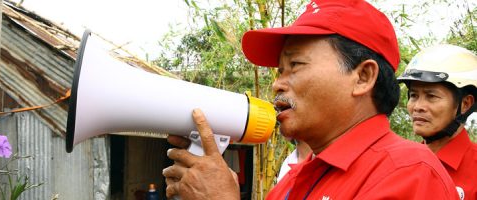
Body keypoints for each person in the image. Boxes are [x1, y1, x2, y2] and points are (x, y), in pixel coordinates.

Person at [162, 0, 460, 199]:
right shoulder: (292, 181)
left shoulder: (409, 174)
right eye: (279, 70)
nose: (277, 83)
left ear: (363, 77)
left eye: (295, 65)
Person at [398, 44, 477, 200]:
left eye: (431, 96)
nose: (418, 107)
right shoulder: (400, 162)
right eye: (413, 95)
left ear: (466, 104)